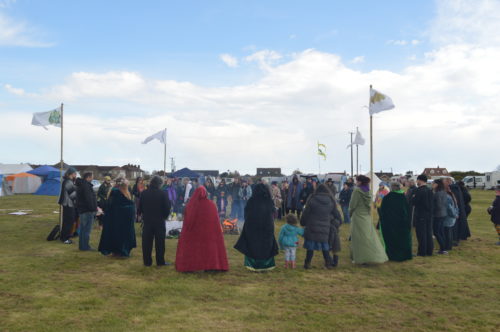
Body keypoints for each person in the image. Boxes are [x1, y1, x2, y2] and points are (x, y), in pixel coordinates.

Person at [176, 186, 229, 272]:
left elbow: (188, 220)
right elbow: (215, 221)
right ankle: (211, 266)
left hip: (195, 232)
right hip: (208, 233)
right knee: (209, 248)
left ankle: (190, 266)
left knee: (194, 249)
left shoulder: (191, 205)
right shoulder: (211, 204)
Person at [234, 184, 279, 271]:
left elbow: (246, 213)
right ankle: (266, 265)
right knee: (266, 245)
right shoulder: (269, 201)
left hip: (253, 226)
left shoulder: (251, 200)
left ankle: (253, 264)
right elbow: (274, 213)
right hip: (267, 226)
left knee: (253, 244)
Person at [300, 184, 342, 269]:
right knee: (324, 246)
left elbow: (306, 213)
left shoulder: (312, 199)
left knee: (310, 247)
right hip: (325, 227)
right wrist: (335, 223)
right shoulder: (331, 201)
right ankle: (328, 263)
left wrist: (303, 222)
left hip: (312, 226)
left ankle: (307, 263)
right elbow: (338, 216)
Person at [349, 175, 388, 264]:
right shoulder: (369, 191)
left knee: (358, 237)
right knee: (369, 236)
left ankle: (359, 257)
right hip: (366, 216)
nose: (356, 182)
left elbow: (352, 204)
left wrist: (350, 213)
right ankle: (373, 255)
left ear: (359, 182)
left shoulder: (357, 191)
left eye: (357, 180)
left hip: (358, 216)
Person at [139, 176, 171, 266]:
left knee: (146, 242)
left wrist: (143, 215)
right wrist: (164, 217)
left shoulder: (144, 193)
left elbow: (140, 207)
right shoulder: (163, 193)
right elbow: (167, 208)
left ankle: (147, 262)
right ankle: (160, 261)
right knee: (160, 243)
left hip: (147, 220)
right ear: (159, 184)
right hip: (159, 221)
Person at [98, 180, 136, 257]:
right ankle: (120, 251)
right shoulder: (118, 194)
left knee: (114, 234)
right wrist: (131, 206)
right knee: (120, 236)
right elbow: (123, 206)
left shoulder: (113, 193)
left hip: (114, 220)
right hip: (120, 221)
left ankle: (115, 251)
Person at [379, 182, 412, 262]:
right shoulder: (403, 197)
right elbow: (407, 210)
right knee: (402, 239)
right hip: (402, 222)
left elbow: (382, 210)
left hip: (390, 223)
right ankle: (404, 255)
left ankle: (393, 255)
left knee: (392, 239)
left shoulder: (387, 197)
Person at [410, 175, 434, 256]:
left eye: (417, 180)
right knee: (428, 233)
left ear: (420, 180)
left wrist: (413, 197)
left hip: (421, 215)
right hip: (429, 215)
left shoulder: (418, 190)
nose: (417, 182)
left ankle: (422, 252)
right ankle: (429, 251)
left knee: (421, 234)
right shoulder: (430, 190)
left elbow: (413, 201)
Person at [75, 172, 98, 251]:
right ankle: (85, 247)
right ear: (88, 177)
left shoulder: (82, 185)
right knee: (86, 230)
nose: (92, 179)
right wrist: (93, 209)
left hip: (82, 210)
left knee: (83, 229)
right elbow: (89, 199)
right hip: (87, 210)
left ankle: (82, 246)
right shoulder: (86, 186)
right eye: (92, 177)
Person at [58, 167, 78, 244]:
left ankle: (64, 237)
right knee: (69, 221)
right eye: (75, 173)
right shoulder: (68, 182)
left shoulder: (68, 181)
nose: (75, 175)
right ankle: (65, 238)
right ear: (71, 174)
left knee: (68, 221)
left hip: (68, 204)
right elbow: (73, 195)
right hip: (68, 204)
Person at [448, 179, 471, 243]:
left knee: (459, 223)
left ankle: (458, 237)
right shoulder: (462, 189)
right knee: (463, 222)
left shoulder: (456, 190)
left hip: (463, 207)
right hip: (464, 207)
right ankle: (462, 236)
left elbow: (467, 198)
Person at [432, 179, 448, 254]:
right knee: (441, 231)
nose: (432, 184)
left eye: (433, 183)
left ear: (437, 184)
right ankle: (443, 247)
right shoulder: (444, 192)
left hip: (438, 215)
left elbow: (438, 205)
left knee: (437, 232)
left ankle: (442, 249)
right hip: (443, 213)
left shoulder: (437, 193)